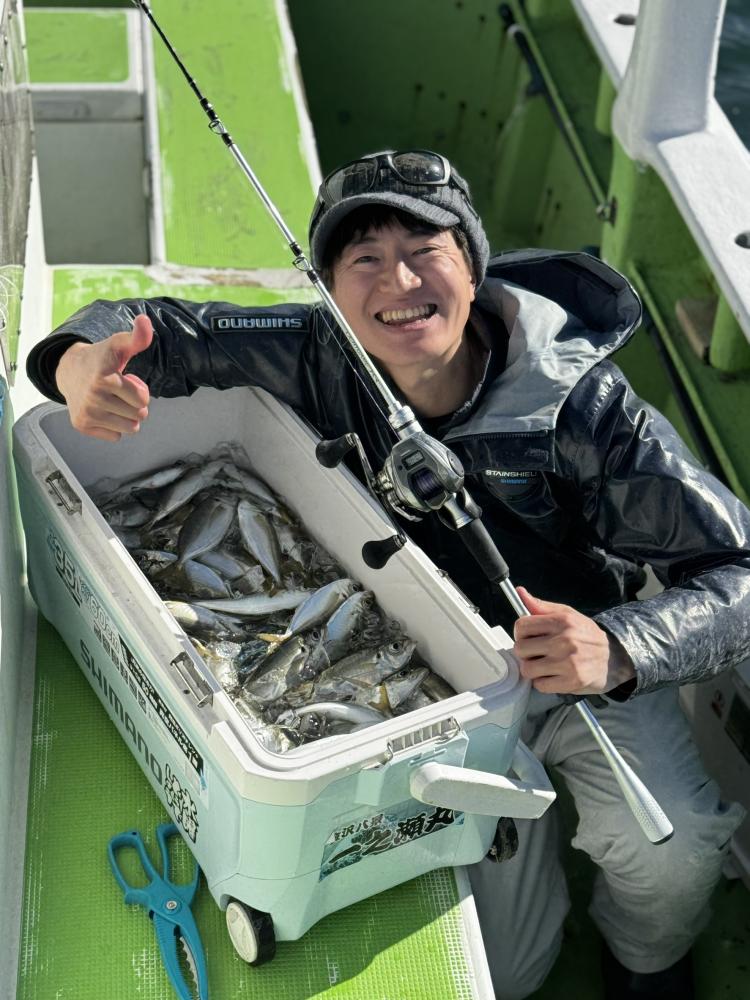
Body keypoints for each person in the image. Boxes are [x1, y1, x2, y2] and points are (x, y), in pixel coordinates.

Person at [27, 150, 749, 999]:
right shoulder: (312, 352)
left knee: (674, 851)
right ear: (332, 292)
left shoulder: (586, 408)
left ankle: (645, 965)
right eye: (364, 258)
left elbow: (737, 568)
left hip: (583, 665)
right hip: (433, 687)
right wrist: (77, 363)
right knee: (515, 971)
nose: (398, 281)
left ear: (473, 270)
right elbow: (155, 330)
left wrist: (619, 647)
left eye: (425, 250)